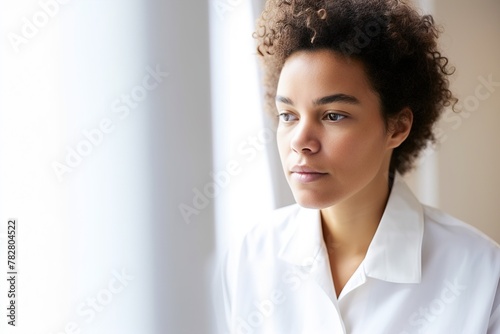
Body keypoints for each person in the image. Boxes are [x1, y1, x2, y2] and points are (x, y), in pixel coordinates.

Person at [215, 0, 500, 333]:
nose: (301, 141)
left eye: (333, 115)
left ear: (397, 127)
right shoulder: (251, 257)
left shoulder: (482, 274)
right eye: (288, 116)